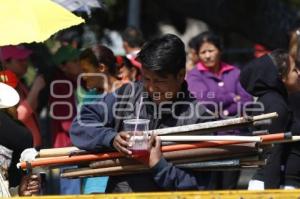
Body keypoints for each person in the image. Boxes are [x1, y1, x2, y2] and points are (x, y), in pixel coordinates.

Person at [70, 34, 214, 192]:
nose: (151, 89)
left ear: (180, 75)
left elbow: (199, 187)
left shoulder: (200, 118)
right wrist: (110, 138)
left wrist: (159, 166)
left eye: (159, 81)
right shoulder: (128, 95)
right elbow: (82, 123)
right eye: (146, 79)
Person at [185, 31, 253, 189]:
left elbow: (247, 100)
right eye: (203, 52)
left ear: (220, 50)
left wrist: (223, 110)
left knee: (230, 186)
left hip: (234, 139)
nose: (207, 56)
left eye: (211, 50)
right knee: (210, 186)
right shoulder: (194, 75)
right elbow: (205, 101)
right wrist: (231, 98)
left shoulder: (235, 72)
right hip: (208, 141)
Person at [240, 49, 300, 189]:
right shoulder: (276, 105)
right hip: (278, 186)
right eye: (294, 70)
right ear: (281, 77)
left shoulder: (273, 101)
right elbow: (273, 152)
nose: (298, 73)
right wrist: (271, 193)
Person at [79, 45, 123, 193]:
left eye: (86, 70)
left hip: (123, 176)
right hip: (94, 180)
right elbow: (84, 130)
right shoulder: (90, 97)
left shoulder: (128, 94)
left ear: (101, 68)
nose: (83, 76)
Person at [0, 45, 45, 147]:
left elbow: (32, 109)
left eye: (25, 59)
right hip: (25, 151)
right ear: (6, 63)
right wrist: (35, 89)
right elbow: (19, 116)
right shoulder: (6, 85)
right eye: (20, 60)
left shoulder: (19, 83)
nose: (25, 63)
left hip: (33, 146)